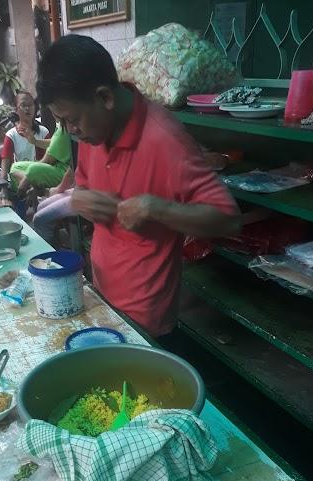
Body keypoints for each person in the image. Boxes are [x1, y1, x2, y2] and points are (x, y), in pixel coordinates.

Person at [37, 35, 240, 342]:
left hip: (146, 319)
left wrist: (156, 208)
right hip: (103, 294)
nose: (71, 131)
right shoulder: (94, 132)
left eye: (73, 120)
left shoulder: (166, 141)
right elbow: (85, 183)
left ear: (104, 97)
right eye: (63, 122)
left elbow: (229, 218)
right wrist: (81, 199)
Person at [10, 121, 72, 197]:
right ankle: (34, 189)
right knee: (16, 167)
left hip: (64, 171)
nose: (27, 109)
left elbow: (48, 160)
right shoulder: (11, 134)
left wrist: (25, 180)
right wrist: (34, 141)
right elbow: (54, 142)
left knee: (33, 169)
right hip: (54, 166)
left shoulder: (64, 128)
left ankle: (35, 192)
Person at [32, 167, 75, 245]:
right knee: (41, 206)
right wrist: (58, 190)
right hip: (81, 189)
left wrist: (58, 190)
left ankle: (48, 252)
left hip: (93, 195)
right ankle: (55, 245)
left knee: (40, 219)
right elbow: (72, 170)